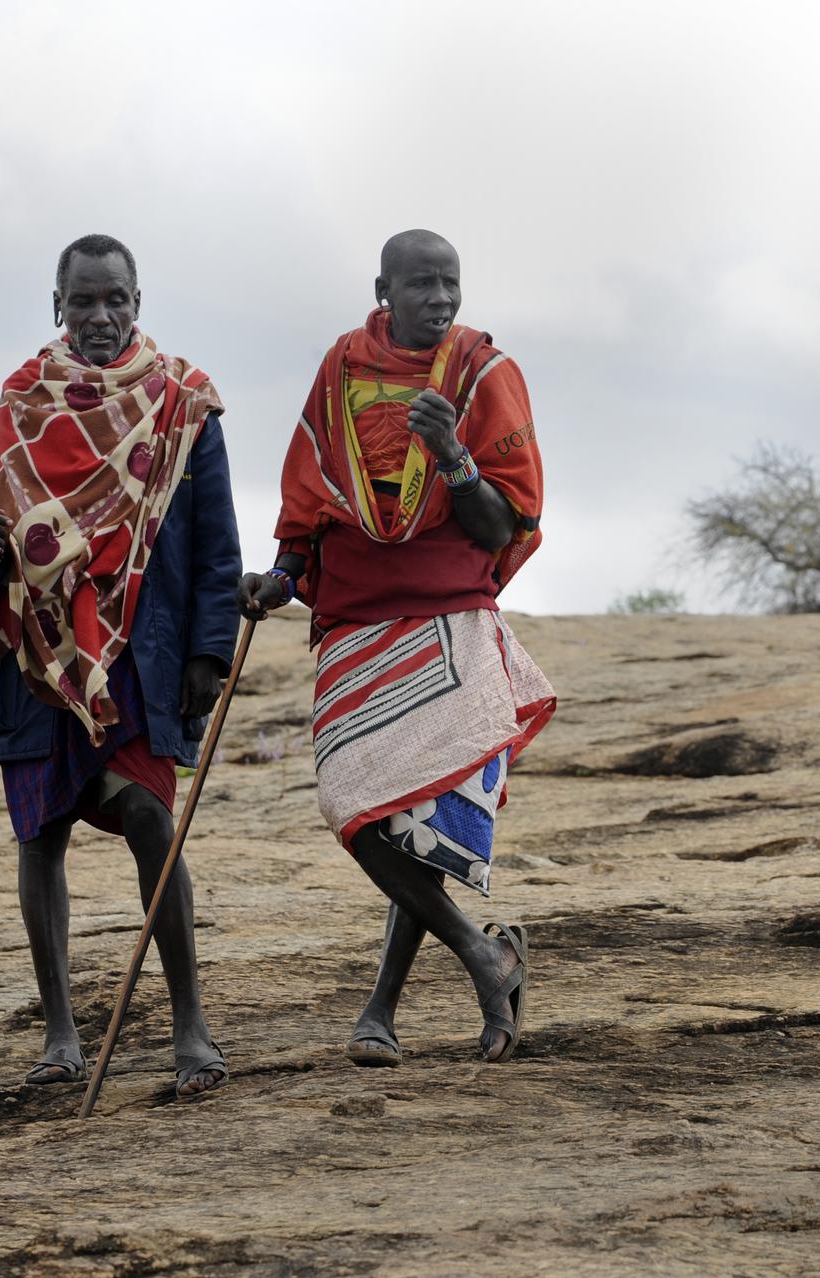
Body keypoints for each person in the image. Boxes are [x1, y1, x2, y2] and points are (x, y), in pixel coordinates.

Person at [237, 229, 554, 1065]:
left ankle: (382, 1009)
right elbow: (309, 496)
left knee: (421, 822)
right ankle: (486, 955)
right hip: (353, 618)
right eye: (421, 285)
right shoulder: (343, 368)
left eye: (451, 284)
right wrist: (279, 576)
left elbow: (504, 525)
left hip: (447, 613)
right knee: (356, 804)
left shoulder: (484, 375)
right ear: (384, 289)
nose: (441, 300)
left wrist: (451, 454)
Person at [0, 233, 239, 1096]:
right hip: (39, 663)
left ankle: (190, 1026)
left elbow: (217, 545)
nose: (101, 316)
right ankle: (61, 1034)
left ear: (138, 302)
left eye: (116, 299)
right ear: (57, 308)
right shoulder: (21, 403)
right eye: (83, 301)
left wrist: (208, 652)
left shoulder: (183, 405)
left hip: (140, 659)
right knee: (40, 839)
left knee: (153, 821)